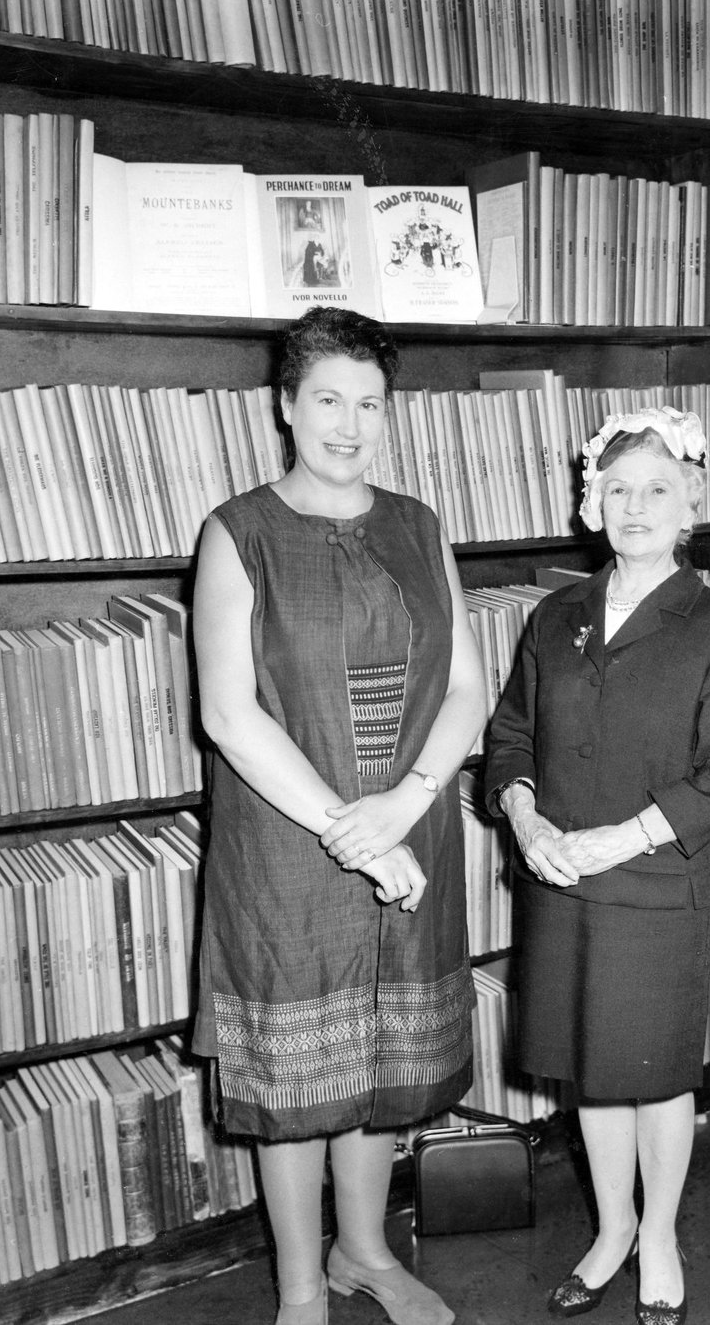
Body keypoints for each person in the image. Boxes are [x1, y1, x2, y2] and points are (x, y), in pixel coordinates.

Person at [191, 306, 488, 1325]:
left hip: (412, 829)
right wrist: (347, 829)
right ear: (285, 406)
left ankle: (365, 1253)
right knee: (297, 1080)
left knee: (384, 1064)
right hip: (286, 845)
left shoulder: (419, 524)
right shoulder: (237, 532)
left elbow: (465, 687)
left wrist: (401, 807)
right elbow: (229, 715)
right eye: (328, 400)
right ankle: (302, 1287)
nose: (350, 424)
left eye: (370, 403)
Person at [484, 407, 710, 1325]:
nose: (633, 505)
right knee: (590, 1070)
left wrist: (620, 837)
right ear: (590, 501)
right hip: (558, 879)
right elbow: (511, 733)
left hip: (649, 884)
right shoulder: (554, 614)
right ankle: (610, 1232)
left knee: (655, 1072)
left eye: (656, 490)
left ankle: (662, 1238)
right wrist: (520, 815)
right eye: (616, 488)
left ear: (691, 507)